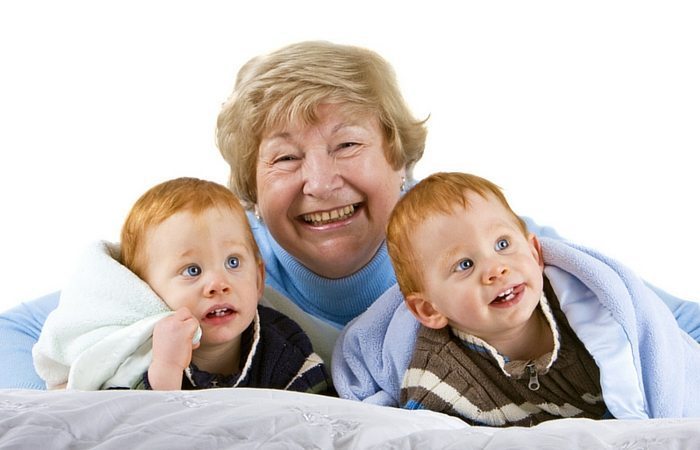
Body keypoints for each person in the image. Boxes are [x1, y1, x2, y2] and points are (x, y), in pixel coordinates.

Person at [2, 40, 700, 390]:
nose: (319, 181)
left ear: (399, 157)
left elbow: (677, 323)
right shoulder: (215, 271)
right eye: (283, 160)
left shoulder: (493, 258)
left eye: (347, 144)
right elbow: (24, 331)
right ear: (249, 190)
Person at [334, 172, 700, 425]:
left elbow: (664, 371)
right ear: (429, 309)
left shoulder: (595, 324)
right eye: (464, 264)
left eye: (503, 244)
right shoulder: (438, 376)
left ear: (536, 255)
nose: (495, 269)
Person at [32, 177, 331, 393]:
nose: (218, 284)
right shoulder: (140, 353)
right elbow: (119, 427)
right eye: (192, 270)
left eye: (233, 263)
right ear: (146, 292)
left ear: (258, 279)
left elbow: (324, 418)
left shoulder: (282, 345)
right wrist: (165, 372)